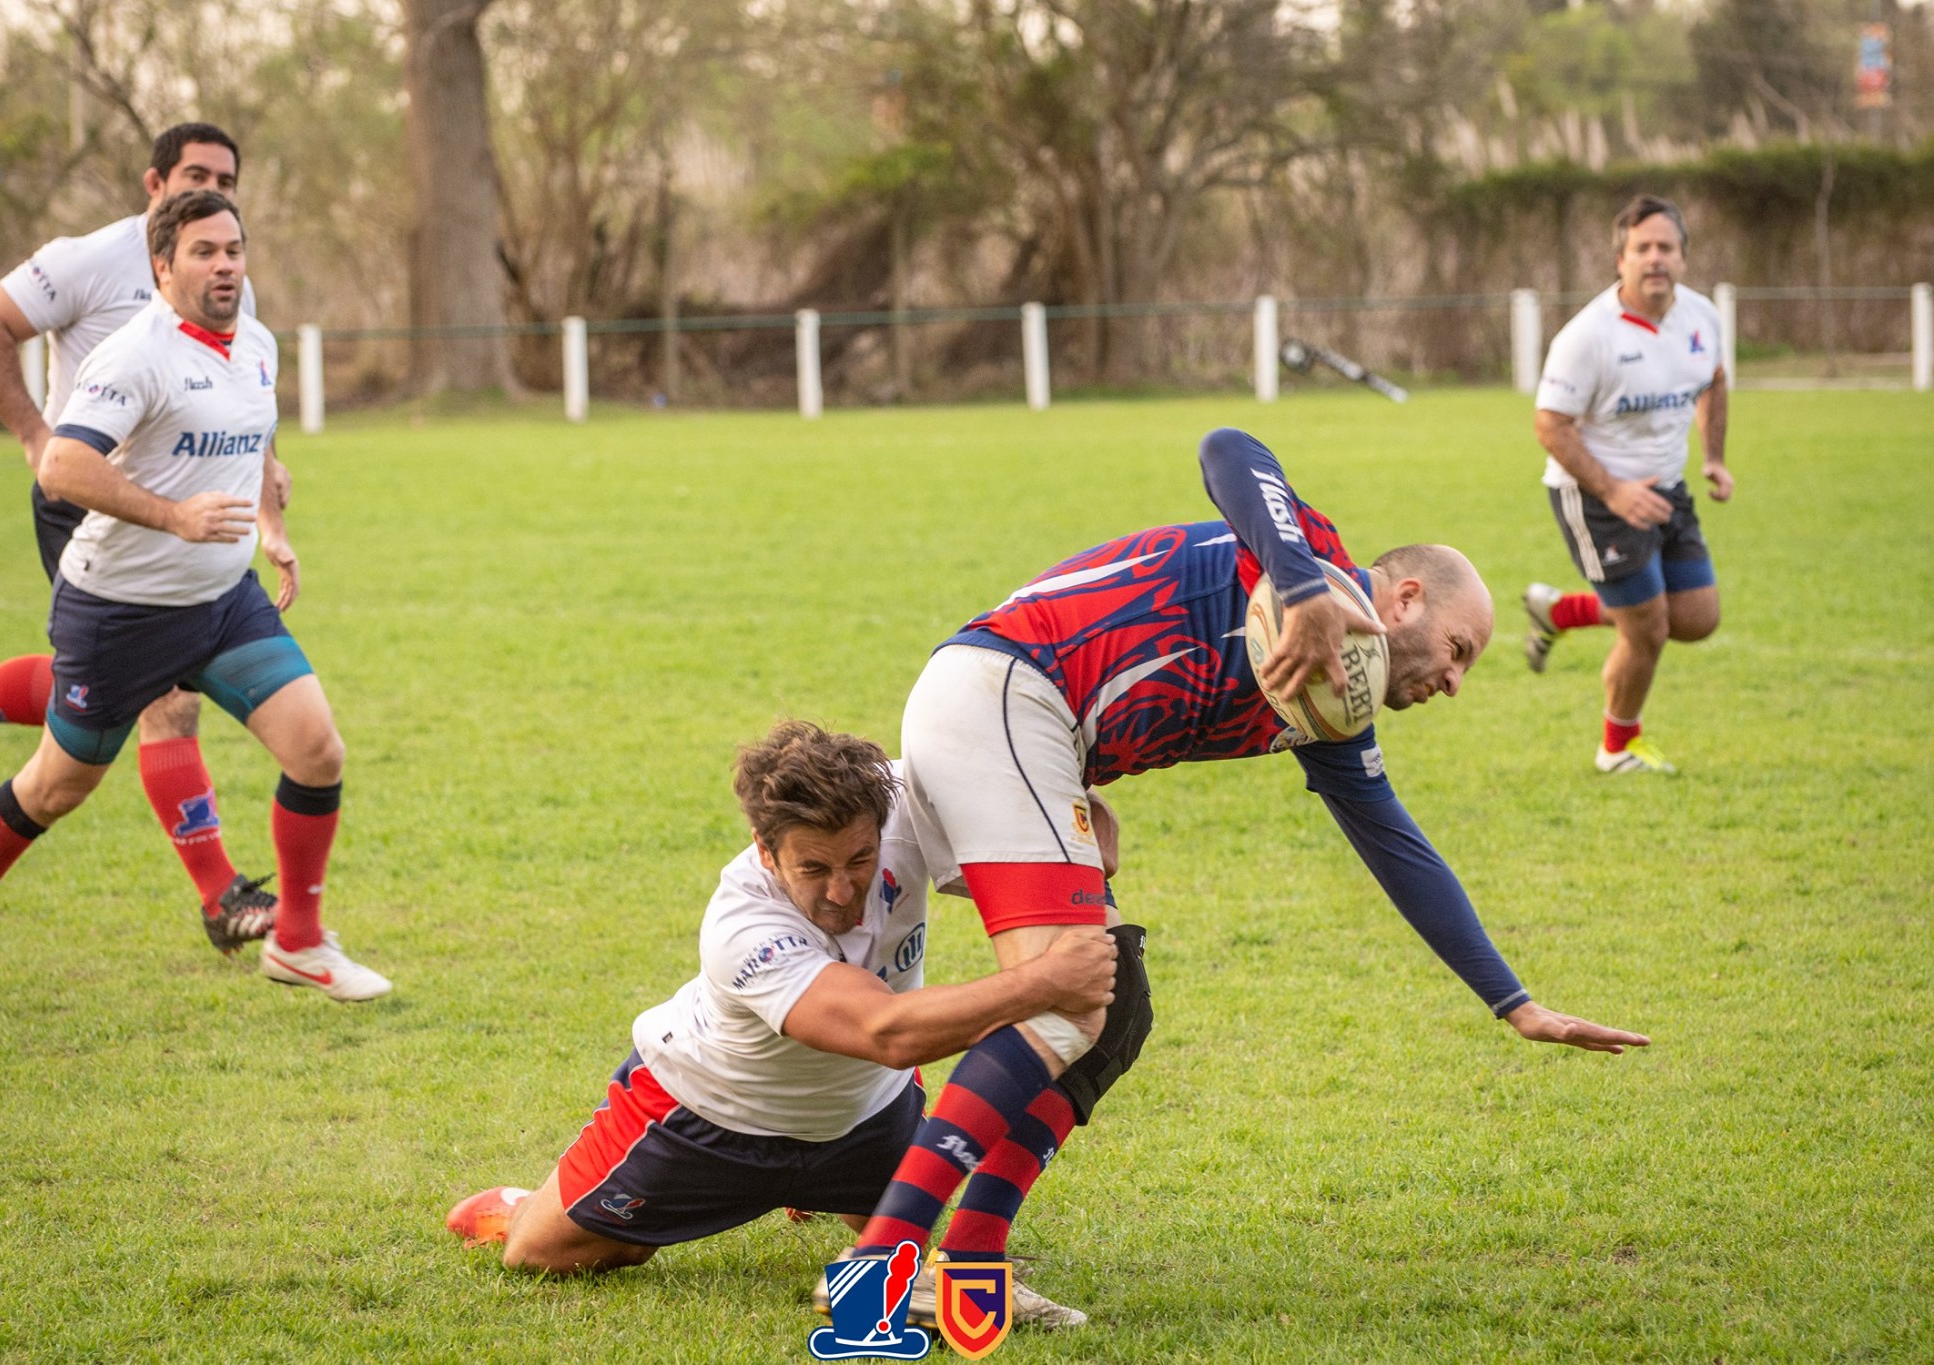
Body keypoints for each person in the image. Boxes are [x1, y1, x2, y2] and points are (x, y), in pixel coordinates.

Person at [828, 426, 1650, 1306]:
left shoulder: (1335, 708)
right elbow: (1229, 448)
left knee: (1112, 1006)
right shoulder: (1310, 556)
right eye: (1459, 651)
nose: (1454, 684)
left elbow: (1396, 844)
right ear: (1405, 599)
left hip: (1025, 728)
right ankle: (883, 1264)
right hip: (1005, 694)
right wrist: (1298, 583)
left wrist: (1513, 1002)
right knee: (1064, 996)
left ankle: (975, 1253)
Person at [445, 722, 1123, 1329]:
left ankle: (820, 1190)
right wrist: (1042, 982)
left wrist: (1077, 835)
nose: (841, 890)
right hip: (712, 1112)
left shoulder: (902, 802)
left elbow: (1031, 801)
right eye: (813, 868)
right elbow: (888, 1031)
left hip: (866, 1110)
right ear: (765, 852)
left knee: (902, 1236)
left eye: (859, 860)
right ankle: (527, 1202)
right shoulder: (743, 925)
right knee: (541, 1254)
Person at [0, 189, 388, 1019]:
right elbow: (61, 465)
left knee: (317, 749)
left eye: (234, 249)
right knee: (57, 786)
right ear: (163, 268)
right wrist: (173, 516)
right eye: (204, 252)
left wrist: (269, 528)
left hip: (220, 600)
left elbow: (251, 444)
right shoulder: (136, 355)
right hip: (120, 611)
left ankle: (300, 942)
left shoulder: (261, 346)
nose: (226, 264)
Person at [0, 121, 287, 952]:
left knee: (106, 695)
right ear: (153, 184)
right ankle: (220, 898)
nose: (209, 190)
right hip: (94, 502)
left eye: (224, 178)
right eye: (193, 175)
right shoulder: (88, 258)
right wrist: (37, 438)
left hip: (188, 505)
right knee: (159, 698)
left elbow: (241, 385)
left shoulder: (224, 273)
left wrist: (265, 483)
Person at [1522, 193, 1732, 775]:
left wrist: (1713, 458)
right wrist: (1614, 490)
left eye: (1667, 247)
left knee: (1697, 617)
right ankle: (1616, 749)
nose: (1655, 258)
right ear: (1621, 259)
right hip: (1593, 496)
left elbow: (1713, 380)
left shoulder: (1701, 318)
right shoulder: (1588, 336)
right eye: (1643, 248)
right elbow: (1549, 425)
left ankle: (1561, 613)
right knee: (1649, 629)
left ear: (1684, 257)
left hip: (1667, 486)